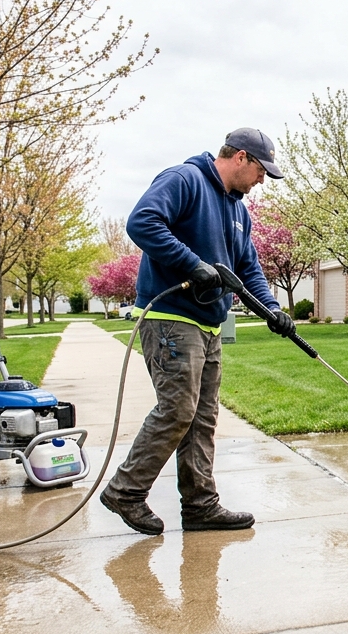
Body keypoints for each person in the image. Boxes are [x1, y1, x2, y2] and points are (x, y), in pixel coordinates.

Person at [99, 128, 296, 535]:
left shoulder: (239, 212)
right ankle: (126, 490)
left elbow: (247, 270)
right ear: (241, 158)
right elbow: (142, 222)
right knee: (178, 410)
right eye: (261, 171)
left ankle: (201, 506)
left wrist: (272, 309)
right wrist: (192, 264)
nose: (262, 181)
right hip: (171, 317)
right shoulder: (185, 180)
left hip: (209, 324)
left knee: (203, 418)